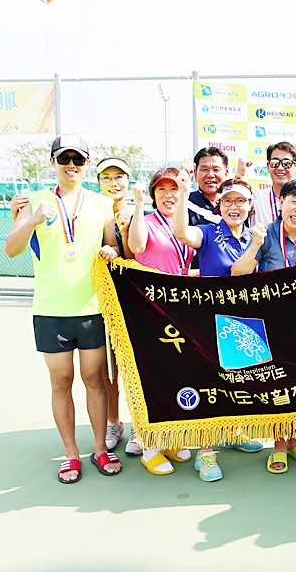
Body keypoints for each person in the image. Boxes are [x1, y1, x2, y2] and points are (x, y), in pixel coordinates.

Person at [4, 134, 122, 483]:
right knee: (61, 382)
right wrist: (30, 221)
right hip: (50, 310)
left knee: (95, 380)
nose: (71, 165)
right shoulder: (33, 201)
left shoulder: (102, 203)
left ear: (87, 164)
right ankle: (71, 454)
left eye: (78, 159)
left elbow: (113, 246)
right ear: (53, 162)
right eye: (64, 158)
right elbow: (11, 249)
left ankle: (100, 448)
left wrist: (111, 251)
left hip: (91, 308)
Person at [232, 178, 296, 473]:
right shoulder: (266, 234)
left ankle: (295, 439)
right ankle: (278, 444)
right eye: (293, 201)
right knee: (276, 383)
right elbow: (238, 273)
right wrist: (255, 245)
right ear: (281, 202)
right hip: (270, 324)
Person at [172, 176, 265, 479]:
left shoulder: (257, 236)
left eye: (240, 201)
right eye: (227, 201)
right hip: (208, 322)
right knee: (208, 385)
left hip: (244, 322)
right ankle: (205, 453)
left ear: (250, 205)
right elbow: (182, 232)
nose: (233, 207)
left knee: (238, 380)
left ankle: (232, 432)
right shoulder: (208, 232)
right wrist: (183, 193)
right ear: (219, 205)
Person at [127, 167, 197, 475]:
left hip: (177, 310)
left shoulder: (183, 224)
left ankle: (167, 438)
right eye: (161, 190)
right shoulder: (145, 221)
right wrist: (138, 204)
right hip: (148, 310)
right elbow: (137, 248)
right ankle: (149, 446)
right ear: (153, 195)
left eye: (174, 189)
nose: (168, 196)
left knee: (172, 375)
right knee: (149, 376)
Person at [94, 157, 137, 455]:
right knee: (109, 368)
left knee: (135, 366)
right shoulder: (90, 213)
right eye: (106, 177)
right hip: (101, 301)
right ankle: (113, 422)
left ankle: (139, 425)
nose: (113, 182)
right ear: (98, 182)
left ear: (128, 180)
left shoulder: (139, 214)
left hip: (135, 302)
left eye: (119, 176)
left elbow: (139, 256)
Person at [250, 142, 296, 228]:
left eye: (287, 163)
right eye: (275, 163)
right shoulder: (255, 197)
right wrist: (239, 176)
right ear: (268, 166)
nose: (280, 168)